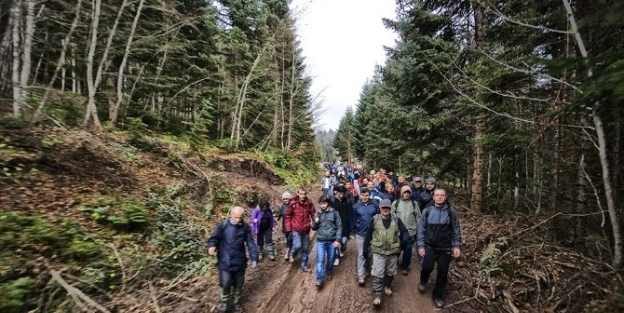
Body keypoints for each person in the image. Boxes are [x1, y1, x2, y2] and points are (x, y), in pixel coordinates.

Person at [207, 206, 258, 313]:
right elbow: (215, 238)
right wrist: (211, 246)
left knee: (238, 283)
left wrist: (254, 257)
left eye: (241, 217)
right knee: (225, 283)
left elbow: (250, 243)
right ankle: (224, 302)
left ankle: (237, 302)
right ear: (231, 215)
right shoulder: (223, 225)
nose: (238, 220)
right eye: (236, 217)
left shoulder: (245, 227)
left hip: (239, 261)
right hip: (225, 260)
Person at [417, 189, 462, 308]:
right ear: (433, 197)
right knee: (427, 266)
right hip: (429, 245)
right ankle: (423, 280)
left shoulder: (451, 213)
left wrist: (457, 245)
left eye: (442, 195)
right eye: (437, 195)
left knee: (443, 272)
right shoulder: (427, 211)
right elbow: (421, 229)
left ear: (445, 197)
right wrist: (421, 246)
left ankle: (438, 295)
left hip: (445, 247)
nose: (440, 197)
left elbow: (456, 230)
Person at [363, 199, 409, 307]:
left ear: (390, 208)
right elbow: (368, 235)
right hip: (379, 252)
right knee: (378, 273)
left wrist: (404, 241)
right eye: (383, 207)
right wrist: (365, 249)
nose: (385, 209)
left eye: (387, 207)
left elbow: (405, 232)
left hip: (393, 252)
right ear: (380, 208)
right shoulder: (374, 219)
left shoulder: (396, 219)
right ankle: (377, 295)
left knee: (390, 272)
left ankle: (387, 286)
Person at [350, 188, 380, 286]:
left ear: (369, 195)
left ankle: (367, 268)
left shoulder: (375, 205)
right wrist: (352, 232)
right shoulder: (356, 206)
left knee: (370, 253)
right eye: (363, 195)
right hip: (360, 233)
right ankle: (361, 276)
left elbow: (378, 217)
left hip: (372, 233)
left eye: (366, 195)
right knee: (361, 254)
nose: (365, 197)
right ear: (360, 196)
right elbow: (353, 219)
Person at [312, 196, 342, 287]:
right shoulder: (317, 213)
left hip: (332, 241)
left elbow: (339, 226)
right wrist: (316, 222)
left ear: (327, 203)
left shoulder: (334, 213)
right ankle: (319, 279)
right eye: (321, 204)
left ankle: (329, 272)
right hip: (321, 241)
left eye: (324, 203)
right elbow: (313, 228)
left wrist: (338, 240)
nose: (323, 205)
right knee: (320, 259)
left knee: (331, 258)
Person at [391, 185, 421, 275]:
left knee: (408, 250)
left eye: (408, 193)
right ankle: (394, 263)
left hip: (410, 231)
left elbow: (418, 216)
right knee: (396, 248)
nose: (407, 194)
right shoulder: (395, 203)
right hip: (398, 231)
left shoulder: (414, 203)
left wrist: (417, 227)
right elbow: (392, 216)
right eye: (405, 192)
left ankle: (405, 266)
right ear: (401, 193)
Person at [285, 189, 316, 271]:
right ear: (298, 194)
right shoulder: (293, 203)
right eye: (301, 194)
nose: (303, 196)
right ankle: (292, 254)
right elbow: (288, 216)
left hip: (306, 229)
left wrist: (314, 222)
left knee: (305, 248)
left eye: (304, 194)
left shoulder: (309, 203)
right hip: (296, 229)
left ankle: (304, 266)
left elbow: (313, 213)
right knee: (297, 245)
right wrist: (288, 228)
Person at [329, 185, 353, 266]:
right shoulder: (332, 201)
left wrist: (351, 229)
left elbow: (351, 214)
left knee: (344, 241)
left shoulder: (347, 201)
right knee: (335, 242)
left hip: (345, 225)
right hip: (335, 226)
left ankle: (343, 249)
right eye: (340, 193)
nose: (342, 195)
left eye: (343, 194)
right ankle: (336, 257)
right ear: (337, 192)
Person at [276, 192, 293, 260]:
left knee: (290, 238)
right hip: (285, 225)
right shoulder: (281, 206)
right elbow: (279, 214)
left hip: (293, 225)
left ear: (290, 199)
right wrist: (276, 219)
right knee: (287, 238)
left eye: (287, 199)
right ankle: (289, 250)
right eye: (284, 199)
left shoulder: (293, 205)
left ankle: (288, 253)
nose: (286, 200)